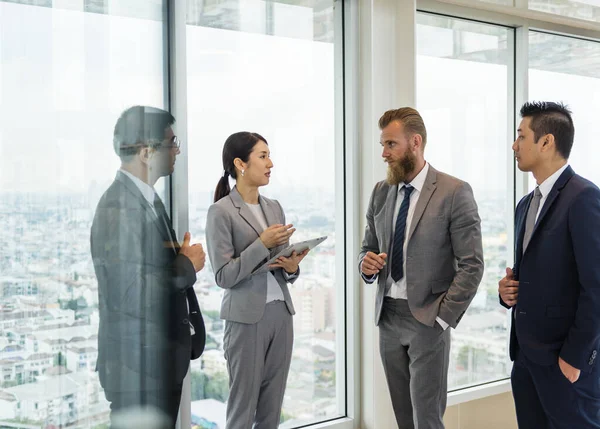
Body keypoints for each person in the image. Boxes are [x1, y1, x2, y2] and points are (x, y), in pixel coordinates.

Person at [358, 107, 484, 429]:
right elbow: (367, 248)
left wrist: (441, 318)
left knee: (426, 419)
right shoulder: (380, 192)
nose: (384, 153)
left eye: (390, 144)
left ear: (415, 142)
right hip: (387, 317)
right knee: (403, 418)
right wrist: (366, 265)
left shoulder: (454, 192)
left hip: (428, 319)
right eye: (383, 145)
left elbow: (472, 265)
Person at [91, 105, 206, 428]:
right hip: (136, 369)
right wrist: (185, 265)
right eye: (171, 142)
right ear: (145, 152)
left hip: (153, 363)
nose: (177, 150)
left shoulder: (146, 198)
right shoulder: (119, 207)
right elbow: (128, 293)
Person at [499, 101, 600, 429]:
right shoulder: (525, 205)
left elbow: (596, 288)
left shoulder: (584, 198)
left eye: (521, 136)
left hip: (565, 365)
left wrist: (574, 358)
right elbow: (531, 274)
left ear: (546, 142)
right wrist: (507, 292)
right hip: (525, 361)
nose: (515, 145)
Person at [205, 131, 308, 429]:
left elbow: (281, 268)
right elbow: (224, 275)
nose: (270, 163)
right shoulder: (220, 212)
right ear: (240, 163)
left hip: (281, 314)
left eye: (269, 155)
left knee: (271, 409)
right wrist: (262, 243)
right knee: (242, 408)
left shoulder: (273, 206)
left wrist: (291, 266)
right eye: (263, 156)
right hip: (246, 320)